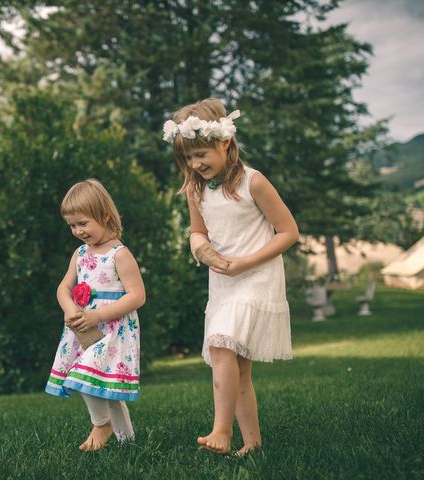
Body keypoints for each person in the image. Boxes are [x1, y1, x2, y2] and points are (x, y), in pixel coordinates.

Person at [163, 98, 299, 456]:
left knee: (221, 345)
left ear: (225, 142)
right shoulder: (195, 189)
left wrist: (245, 263)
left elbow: (288, 232)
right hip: (223, 281)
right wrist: (200, 247)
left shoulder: (254, 182)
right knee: (236, 367)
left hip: (256, 277)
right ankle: (252, 443)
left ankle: (221, 431)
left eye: (202, 153)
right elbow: (198, 232)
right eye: (189, 158)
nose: (196, 164)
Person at [45, 178, 145, 452]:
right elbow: (63, 288)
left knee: (85, 378)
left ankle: (101, 424)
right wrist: (69, 308)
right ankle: (129, 444)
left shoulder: (119, 254)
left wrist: (98, 315)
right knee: (105, 386)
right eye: (72, 225)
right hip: (85, 328)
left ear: (104, 216)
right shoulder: (79, 254)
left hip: (113, 328)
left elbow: (137, 296)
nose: (78, 231)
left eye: (83, 223)